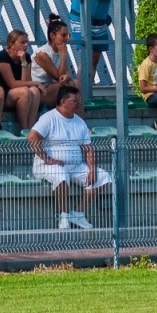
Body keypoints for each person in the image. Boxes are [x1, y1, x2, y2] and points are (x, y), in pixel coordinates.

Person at [28, 85, 112, 230]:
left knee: (103, 176)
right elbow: (32, 137)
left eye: (79, 100)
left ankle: (78, 214)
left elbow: (88, 149)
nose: (78, 103)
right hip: (49, 166)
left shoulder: (79, 122)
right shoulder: (49, 118)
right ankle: (64, 216)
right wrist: (47, 159)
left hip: (75, 166)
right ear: (63, 101)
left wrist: (92, 169)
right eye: (74, 100)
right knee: (61, 174)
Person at [0, 29, 42, 133]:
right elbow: (12, 84)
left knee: (35, 91)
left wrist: (23, 62)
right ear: (12, 44)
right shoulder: (2, 57)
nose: (26, 45)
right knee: (25, 91)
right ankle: (24, 129)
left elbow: (26, 81)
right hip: (3, 93)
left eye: (27, 42)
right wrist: (36, 83)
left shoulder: (26, 56)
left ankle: (30, 128)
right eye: (22, 42)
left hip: (18, 90)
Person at [32, 17, 75, 108]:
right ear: (52, 35)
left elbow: (66, 73)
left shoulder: (60, 51)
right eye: (63, 35)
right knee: (62, 88)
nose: (66, 39)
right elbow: (59, 77)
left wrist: (67, 76)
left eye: (68, 35)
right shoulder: (42, 54)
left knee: (75, 83)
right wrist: (63, 56)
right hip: (40, 89)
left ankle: (78, 116)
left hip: (52, 86)